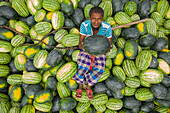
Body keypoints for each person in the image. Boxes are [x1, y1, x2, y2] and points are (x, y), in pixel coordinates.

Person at [71, 6, 113, 100]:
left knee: (99, 69)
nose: (96, 21)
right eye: (94, 18)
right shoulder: (84, 25)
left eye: (99, 19)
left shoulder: (107, 27)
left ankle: (88, 84)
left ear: (102, 19)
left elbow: (110, 43)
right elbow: (80, 43)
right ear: (90, 18)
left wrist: (108, 47)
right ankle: (80, 85)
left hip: (100, 50)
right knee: (83, 65)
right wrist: (84, 47)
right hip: (87, 47)